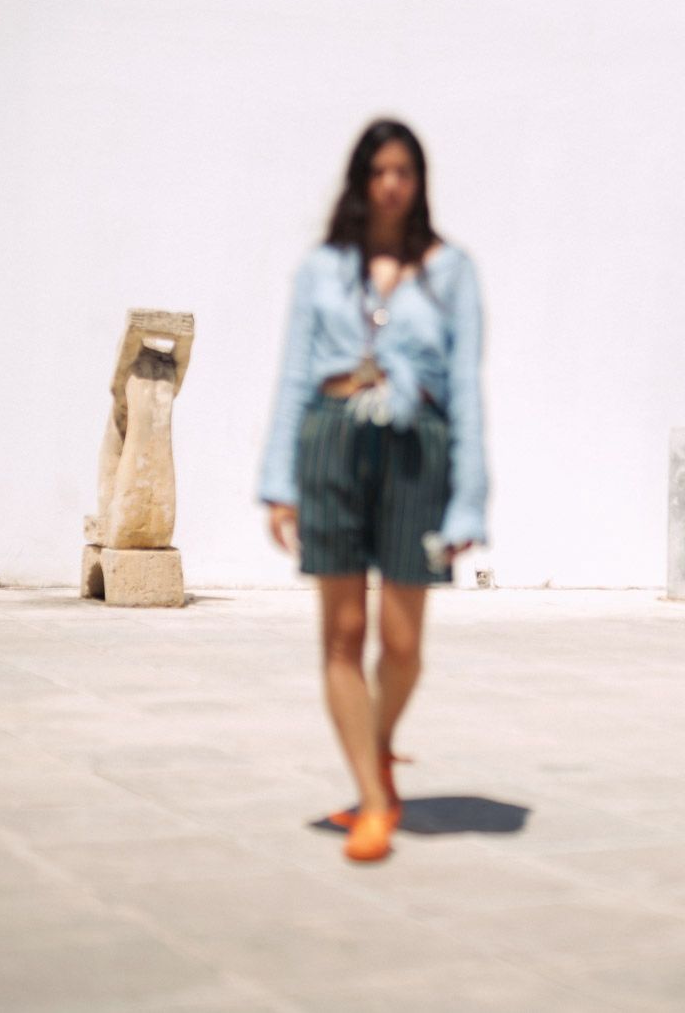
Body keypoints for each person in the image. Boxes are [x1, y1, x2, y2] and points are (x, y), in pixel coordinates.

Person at [258, 118, 487, 863]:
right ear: (360, 181)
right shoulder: (324, 267)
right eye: (379, 171)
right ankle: (374, 798)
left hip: (416, 448)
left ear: (418, 183)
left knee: (401, 642)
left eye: (404, 171)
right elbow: (294, 374)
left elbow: (464, 389)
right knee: (343, 634)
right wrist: (279, 483)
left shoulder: (448, 269)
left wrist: (468, 499)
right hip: (330, 439)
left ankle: (377, 749)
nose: (391, 184)